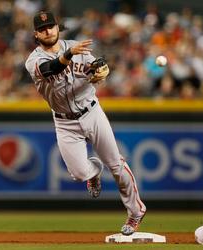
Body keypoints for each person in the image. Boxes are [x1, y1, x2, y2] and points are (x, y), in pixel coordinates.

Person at [25, 11, 146, 236]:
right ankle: (93, 173)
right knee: (79, 173)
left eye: (51, 26)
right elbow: (50, 69)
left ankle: (136, 212)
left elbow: (97, 67)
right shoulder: (34, 59)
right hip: (64, 122)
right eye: (42, 29)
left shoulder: (78, 48)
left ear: (57, 27)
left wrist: (101, 70)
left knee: (116, 165)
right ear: (36, 34)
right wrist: (69, 54)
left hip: (91, 112)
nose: (48, 31)